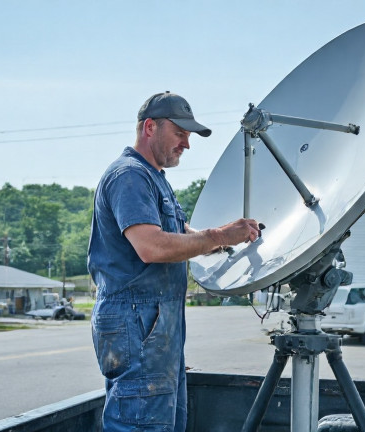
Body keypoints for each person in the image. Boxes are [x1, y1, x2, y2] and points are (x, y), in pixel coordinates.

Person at [88, 91, 261, 431]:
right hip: (137, 318)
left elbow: (179, 235)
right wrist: (219, 237)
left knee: (162, 423)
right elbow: (151, 247)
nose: (187, 144)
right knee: (141, 424)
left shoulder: (153, 179)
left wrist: (227, 240)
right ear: (150, 127)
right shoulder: (129, 176)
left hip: (154, 322)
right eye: (180, 133)